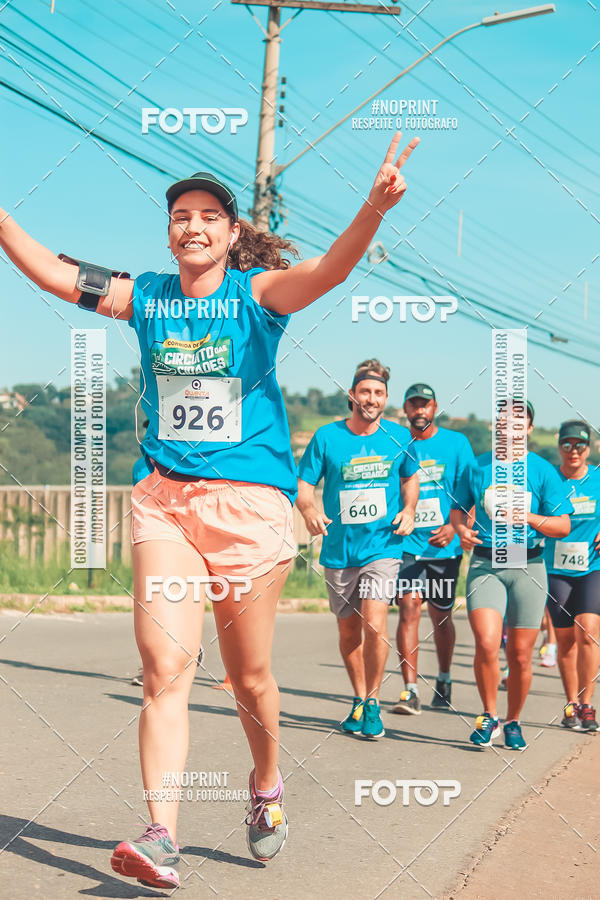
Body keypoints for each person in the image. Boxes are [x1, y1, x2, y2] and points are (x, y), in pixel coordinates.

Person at [0, 131, 420, 887]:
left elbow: (328, 271)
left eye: (206, 216)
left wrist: (372, 208)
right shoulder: (147, 297)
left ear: (231, 235)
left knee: (247, 676)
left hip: (249, 508)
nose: (190, 225)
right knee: (164, 668)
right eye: (179, 215)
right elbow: (58, 277)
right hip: (166, 500)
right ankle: (162, 834)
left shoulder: (256, 296)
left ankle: (265, 785)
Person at [297, 360, 419, 739]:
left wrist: (410, 509)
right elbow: (303, 487)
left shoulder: (400, 437)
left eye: (379, 393)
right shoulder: (326, 437)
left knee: (374, 623)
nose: (372, 398)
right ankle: (358, 696)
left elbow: (410, 477)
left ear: (386, 398)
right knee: (349, 631)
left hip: (382, 547)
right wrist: (310, 511)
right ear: (352, 395)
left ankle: (373, 702)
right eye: (365, 391)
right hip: (338, 551)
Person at [450, 400, 573, 750]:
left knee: (520, 655)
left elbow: (562, 525)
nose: (509, 428)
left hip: (529, 565)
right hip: (486, 565)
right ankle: (489, 717)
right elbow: (457, 511)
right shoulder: (478, 466)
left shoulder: (542, 471)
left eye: (518, 423)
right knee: (487, 643)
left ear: (529, 429)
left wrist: (529, 518)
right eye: (502, 422)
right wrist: (462, 531)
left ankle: (514, 721)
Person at [391, 383, 474, 714]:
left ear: (435, 407)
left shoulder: (456, 443)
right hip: (407, 544)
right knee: (409, 608)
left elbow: (469, 491)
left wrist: (455, 526)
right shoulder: (398, 442)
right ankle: (410, 690)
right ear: (406, 409)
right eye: (413, 405)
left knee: (441, 616)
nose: (419, 411)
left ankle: (444, 678)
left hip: (444, 546)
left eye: (425, 405)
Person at [544, 421, 600, 732]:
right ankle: (571, 704)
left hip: (593, 566)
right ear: (559, 446)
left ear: (588, 447)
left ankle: (588, 704)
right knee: (565, 640)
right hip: (556, 569)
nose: (573, 450)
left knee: (588, 631)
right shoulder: (549, 478)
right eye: (567, 444)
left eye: (579, 444)